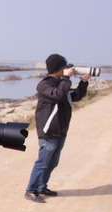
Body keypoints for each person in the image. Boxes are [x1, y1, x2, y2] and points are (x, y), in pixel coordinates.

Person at [24, 53, 90, 203]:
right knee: (42, 162)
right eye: (64, 67)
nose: (67, 70)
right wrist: (66, 79)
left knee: (53, 162)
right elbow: (58, 96)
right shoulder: (44, 85)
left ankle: (41, 187)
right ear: (58, 68)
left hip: (60, 130)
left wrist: (83, 83)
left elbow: (75, 96)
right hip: (48, 131)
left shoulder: (61, 83)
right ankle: (30, 190)